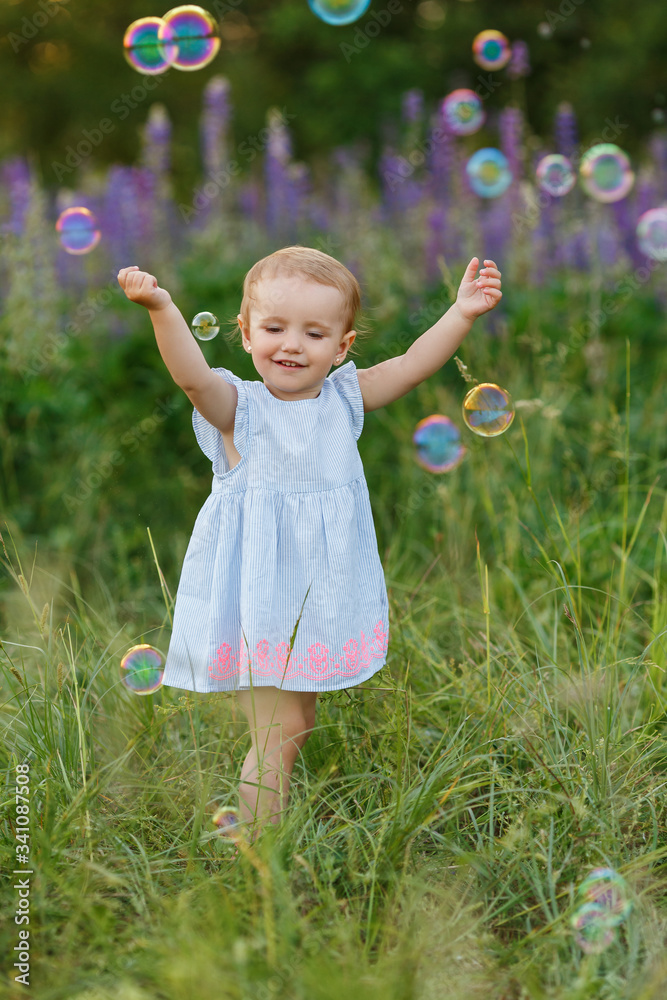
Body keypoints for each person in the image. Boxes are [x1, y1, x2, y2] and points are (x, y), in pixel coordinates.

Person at [117, 245, 502, 847]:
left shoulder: (343, 400)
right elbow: (191, 376)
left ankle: (267, 832)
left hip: (315, 602)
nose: (292, 345)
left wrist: (461, 312)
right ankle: (258, 856)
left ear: (342, 347)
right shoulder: (238, 409)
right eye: (274, 328)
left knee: (299, 722)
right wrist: (161, 307)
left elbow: (412, 364)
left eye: (314, 332)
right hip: (259, 604)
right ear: (244, 334)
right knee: (281, 731)